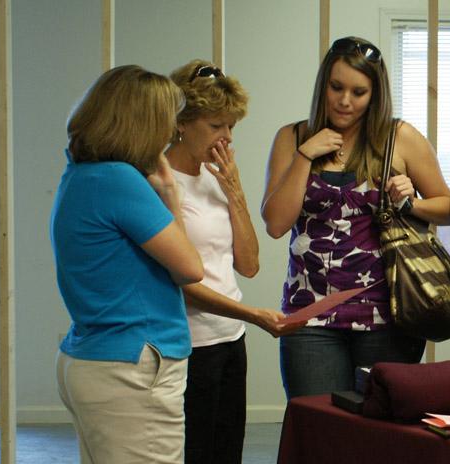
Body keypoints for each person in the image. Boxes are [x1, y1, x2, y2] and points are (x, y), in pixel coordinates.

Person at [262, 37, 450, 399]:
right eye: (336, 88)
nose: (345, 101)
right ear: (323, 86)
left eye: (358, 92)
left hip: (388, 315)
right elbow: (275, 223)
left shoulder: (400, 138)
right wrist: (305, 156)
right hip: (309, 315)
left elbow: (449, 208)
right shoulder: (293, 137)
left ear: (375, 94)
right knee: (320, 433)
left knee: (381, 439)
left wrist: (410, 202)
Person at [51, 65, 204, 463]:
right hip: (131, 367)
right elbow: (189, 268)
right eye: (169, 122)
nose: (172, 133)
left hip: (94, 359)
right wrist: (171, 193)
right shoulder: (119, 179)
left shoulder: (81, 175)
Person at [166, 59, 300, 464]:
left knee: (227, 453)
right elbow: (180, 281)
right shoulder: (158, 182)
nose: (225, 137)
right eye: (215, 126)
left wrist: (235, 190)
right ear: (181, 123)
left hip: (230, 339)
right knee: (195, 454)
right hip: (189, 343)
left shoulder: (215, 176)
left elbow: (249, 264)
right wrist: (253, 314)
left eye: (231, 127)